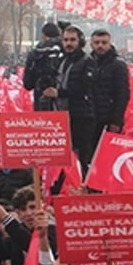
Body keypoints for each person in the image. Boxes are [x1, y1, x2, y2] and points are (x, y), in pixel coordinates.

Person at [43, 26, 98, 168]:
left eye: (72, 40)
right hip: (61, 115)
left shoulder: (87, 61)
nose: (69, 43)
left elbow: (85, 88)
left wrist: (59, 93)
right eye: (66, 40)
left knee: (82, 157)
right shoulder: (61, 61)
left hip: (81, 116)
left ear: (80, 41)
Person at [88, 29, 130, 138]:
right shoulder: (86, 63)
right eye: (97, 43)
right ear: (91, 44)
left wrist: (116, 120)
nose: (100, 46)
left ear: (110, 44)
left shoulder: (118, 65)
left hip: (109, 119)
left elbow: (122, 94)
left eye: (104, 43)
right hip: (90, 118)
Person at [23, 23, 65, 111]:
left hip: (41, 103)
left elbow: (28, 84)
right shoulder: (66, 52)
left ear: (43, 36)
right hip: (64, 105)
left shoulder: (36, 53)